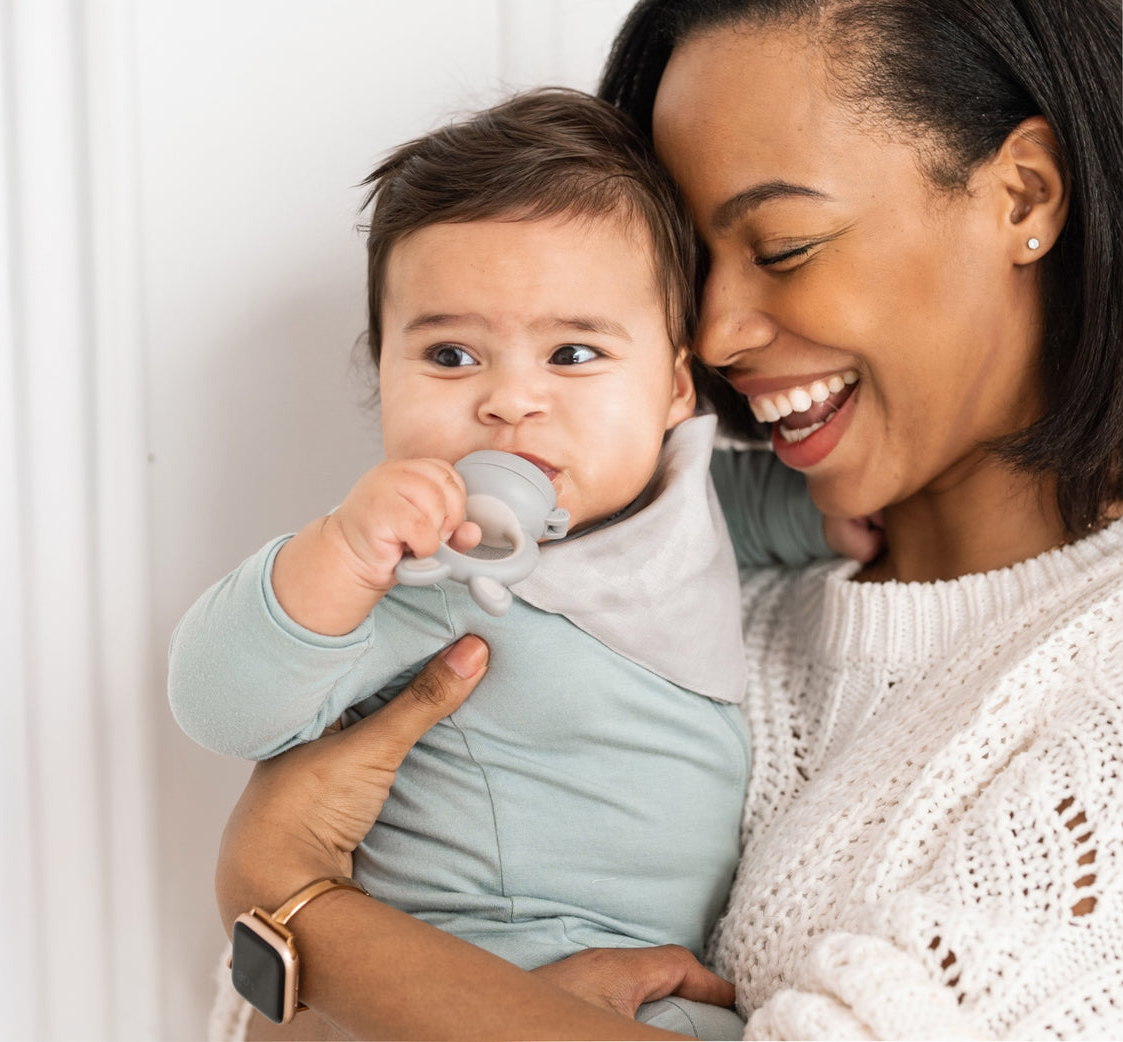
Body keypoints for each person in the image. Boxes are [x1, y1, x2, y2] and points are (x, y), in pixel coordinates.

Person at [207, 0, 1123, 1038]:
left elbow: (294, 967)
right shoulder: (651, 576)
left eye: (782, 245)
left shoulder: (1097, 678)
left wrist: (290, 903)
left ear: (1022, 195)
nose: (717, 332)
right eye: (687, 269)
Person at [173, 87, 855, 1039]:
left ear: (671, 385)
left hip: (643, 976)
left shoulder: (678, 493)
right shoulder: (420, 574)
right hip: (460, 969)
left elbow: (741, 517)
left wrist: (845, 520)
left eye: (573, 353)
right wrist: (330, 557)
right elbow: (217, 704)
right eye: (451, 355)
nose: (509, 401)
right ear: (383, 375)